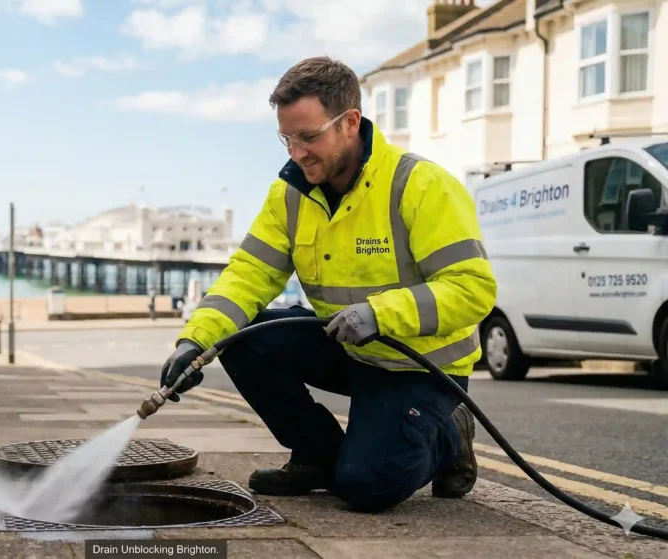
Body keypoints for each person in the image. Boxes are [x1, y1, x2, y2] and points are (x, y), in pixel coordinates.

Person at [158, 56, 497, 513]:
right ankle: (318, 455)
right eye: (287, 138)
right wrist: (193, 342)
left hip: (420, 368)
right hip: (349, 348)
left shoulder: (421, 185)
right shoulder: (291, 194)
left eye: (309, 136)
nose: (296, 152)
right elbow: (248, 275)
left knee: (366, 488)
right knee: (239, 340)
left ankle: (450, 433)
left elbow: (471, 288)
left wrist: (381, 314)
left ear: (350, 122)